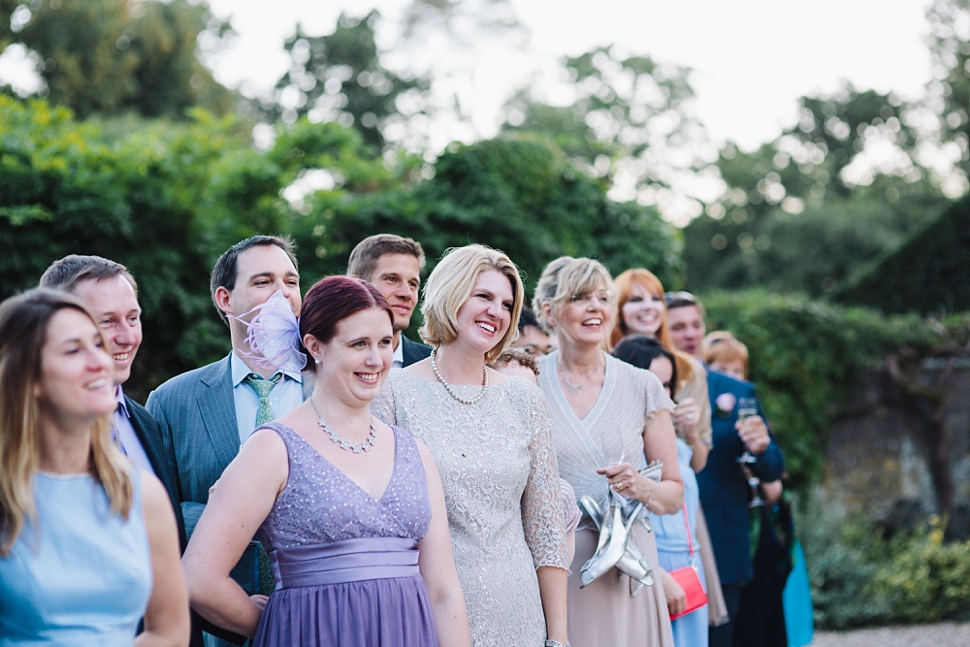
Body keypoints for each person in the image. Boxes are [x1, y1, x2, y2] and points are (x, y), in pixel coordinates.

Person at [182, 276, 470, 647]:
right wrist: (278, 625)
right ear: (315, 346)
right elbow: (199, 577)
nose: (376, 359)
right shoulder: (273, 448)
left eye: (384, 342)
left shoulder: (414, 450)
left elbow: (444, 591)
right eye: (358, 344)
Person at [372, 244, 569, 647]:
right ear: (451, 293)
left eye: (506, 303)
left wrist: (559, 638)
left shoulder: (524, 399)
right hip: (429, 610)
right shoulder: (393, 394)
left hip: (520, 614)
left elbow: (545, 531)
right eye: (484, 296)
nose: (496, 311)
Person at [0, 289, 189, 646]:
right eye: (74, 350)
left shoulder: (141, 492)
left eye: (97, 345)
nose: (100, 361)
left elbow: (170, 634)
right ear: (29, 378)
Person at [147, 235, 306, 643]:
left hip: (320, 618)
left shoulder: (331, 387)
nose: (282, 294)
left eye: (291, 281)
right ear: (224, 298)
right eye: (263, 281)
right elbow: (157, 524)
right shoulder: (171, 401)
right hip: (214, 627)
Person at [532, 256, 683, 647]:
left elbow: (673, 495)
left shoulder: (643, 385)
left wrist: (640, 486)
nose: (595, 307)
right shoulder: (526, 380)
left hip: (626, 568)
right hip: (556, 567)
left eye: (603, 297)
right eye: (580, 297)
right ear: (549, 310)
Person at [665, 292, 785, 647]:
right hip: (665, 538)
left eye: (695, 325)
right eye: (677, 327)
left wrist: (762, 448)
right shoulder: (645, 381)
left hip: (722, 539)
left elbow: (774, 469)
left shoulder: (736, 390)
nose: (689, 334)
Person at [613, 336, 709, 647]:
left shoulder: (676, 446)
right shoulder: (621, 447)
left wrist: (692, 435)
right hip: (649, 567)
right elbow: (613, 521)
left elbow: (694, 470)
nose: (662, 394)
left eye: (668, 385)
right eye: (654, 382)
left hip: (690, 564)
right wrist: (656, 575)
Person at [611, 269, 710, 473]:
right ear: (618, 308)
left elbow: (698, 464)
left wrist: (690, 434)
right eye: (636, 300)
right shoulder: (602, 364)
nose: (648, 306)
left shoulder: (689, 370)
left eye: (655, 298)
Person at [489, 349, 581, 565]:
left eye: (532, 395)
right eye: (510, 392)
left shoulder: (560, 495)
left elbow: (559, 568)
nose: (522, 405)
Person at [348, 234, 432, 367]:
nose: (407, 293)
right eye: (392, 279)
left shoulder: (434, 365)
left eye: (412, 283)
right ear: (356, 284)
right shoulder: (318, 357)